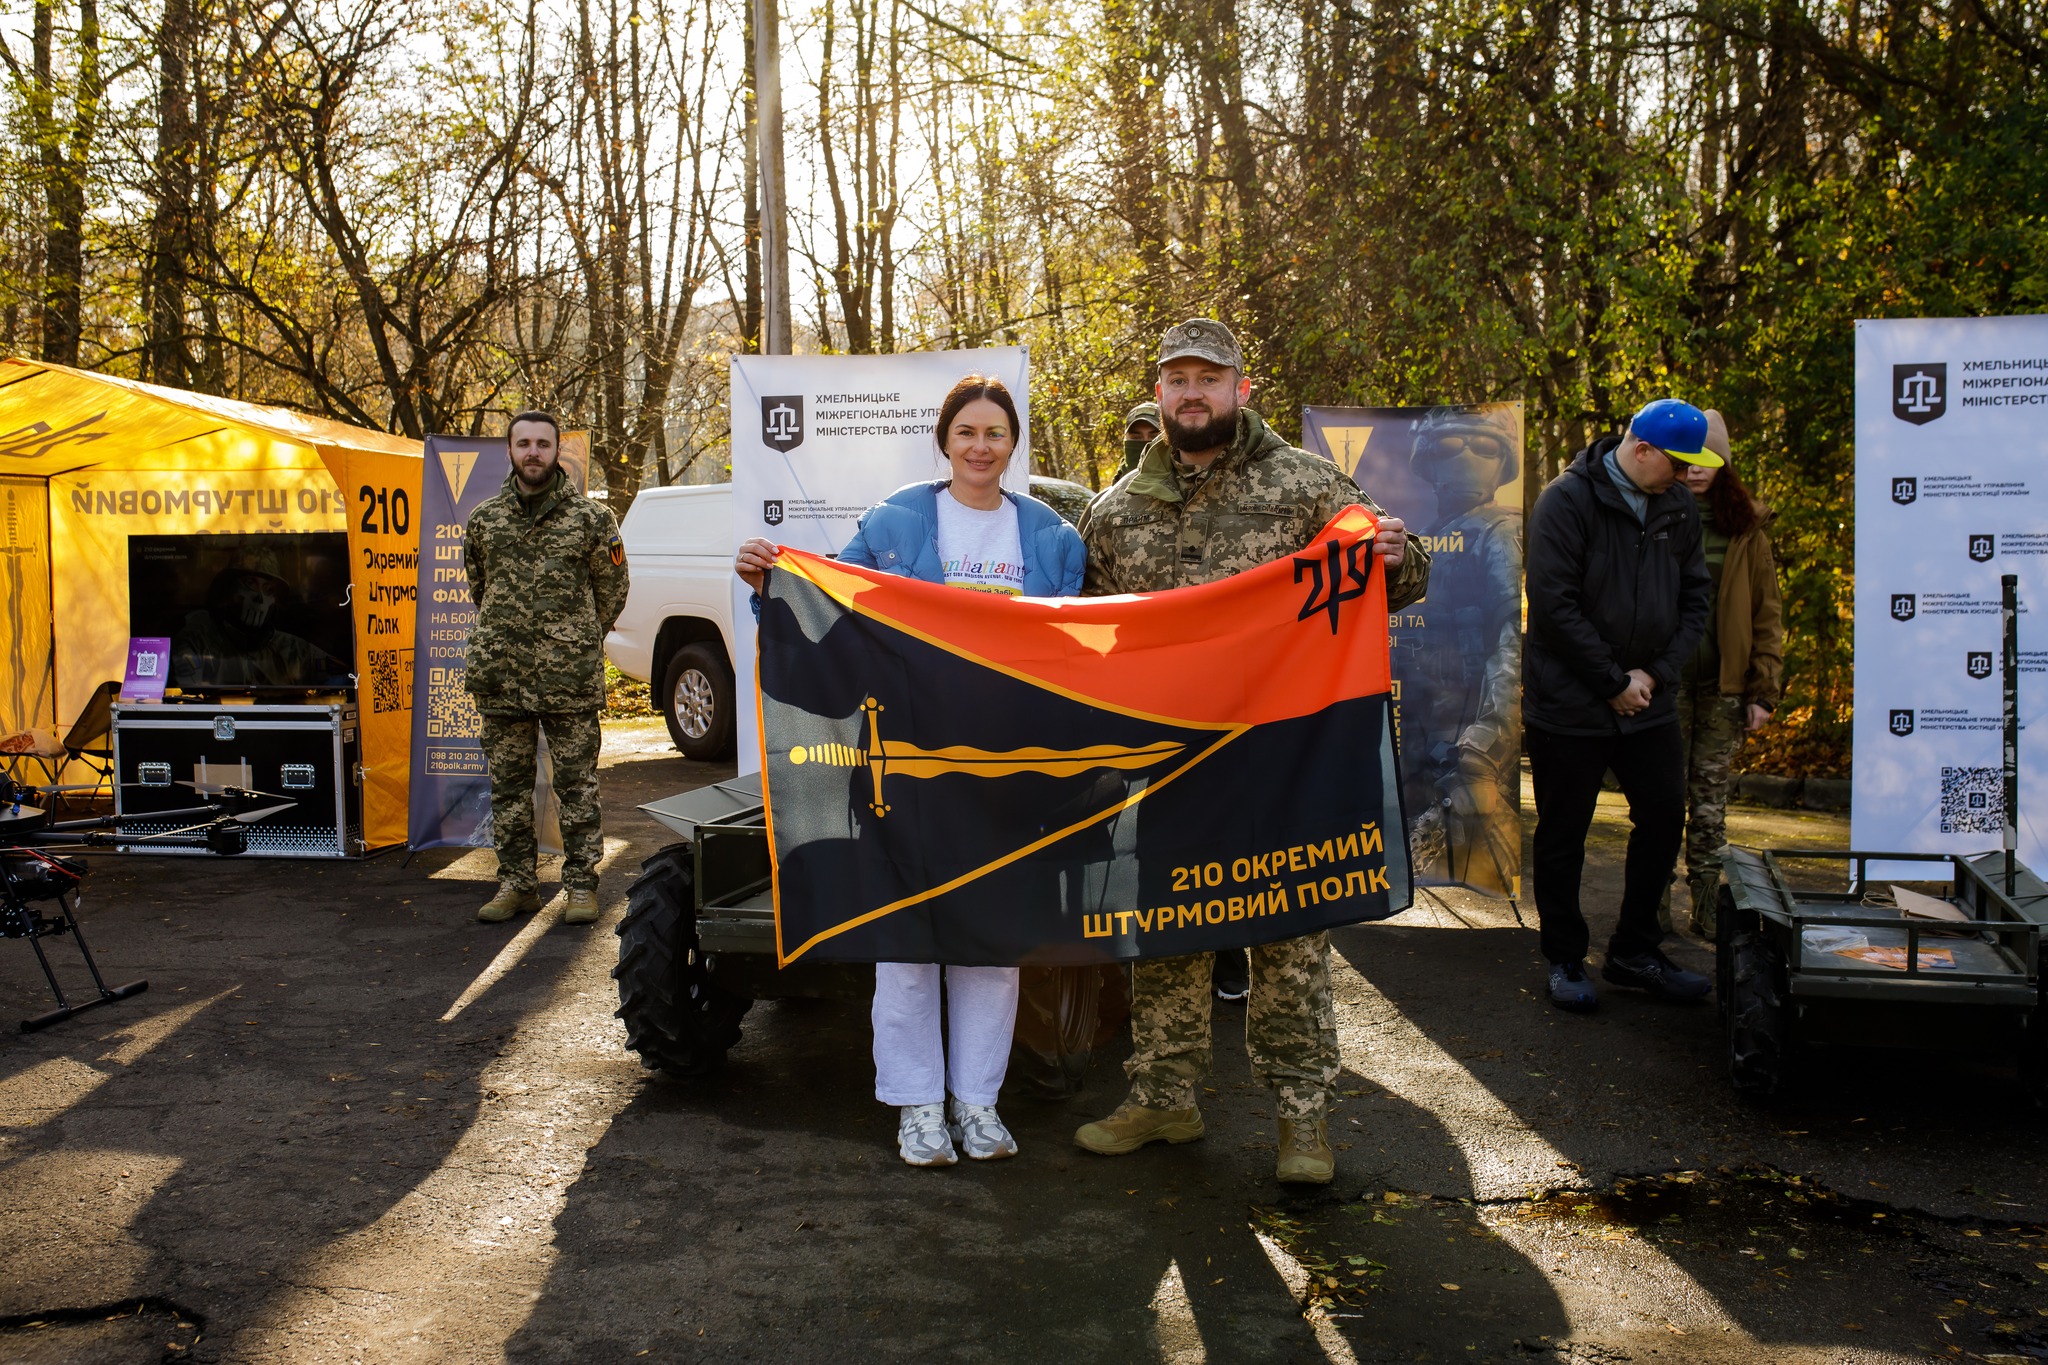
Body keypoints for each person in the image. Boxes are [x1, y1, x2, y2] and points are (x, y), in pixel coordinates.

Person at [1070, 318, 1430, 1185]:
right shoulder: (1115, 511)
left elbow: (1401, 575)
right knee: (1167, 932)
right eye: (1178, 379)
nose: (1192, 393)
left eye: (1209, 378)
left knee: (1289, 938)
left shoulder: (1304, 484)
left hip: (1284, 757)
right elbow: (1087, 635)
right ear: (1159, 393)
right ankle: (1164, 1097)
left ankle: (1303, 1119)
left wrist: (1395, 554)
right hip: (1173, 764)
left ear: (1240, 388)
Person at [735, 374, 1086, 1168]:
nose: (980, 446)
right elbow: (833, 610)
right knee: (907, 939)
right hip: (904, 766)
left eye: (995, 432)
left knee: (991, 940)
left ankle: (978, 1103)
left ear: (1012, 443)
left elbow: (1067, 661)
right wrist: (772, 586)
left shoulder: (1052, 538)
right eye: (967, 431)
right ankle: (919, 1106)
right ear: (944, 439)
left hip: (1004, 772)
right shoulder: (896, 519)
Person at [1523, 398, 1715, 1013]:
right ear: (1642, 449)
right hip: (1570, 703)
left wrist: (1651, 676)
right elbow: (1553, 605)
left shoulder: (1677, 506)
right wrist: (1611, 681)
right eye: (1677, 464)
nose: (1686, 476)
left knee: (1662, 817)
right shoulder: (1566, 500)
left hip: (1648, 700)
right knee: (1564, 833)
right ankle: (1564, 957)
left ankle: (1635, 951)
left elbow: (1695, 600)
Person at [465, 411, 630, 928]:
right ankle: (517, 884)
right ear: (509, 451)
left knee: (576, 785)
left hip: (568, 678)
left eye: (542, 443)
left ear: (558, 451)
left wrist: (573, 639)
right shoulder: (485, 520)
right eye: (524, 444)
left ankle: (580, 885)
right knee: (508, 788)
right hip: (502, 675)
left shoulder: (592, 519)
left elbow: (613, 591)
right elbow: (480, 587)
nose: (533, 452)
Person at [1398, 405, 1524, 895]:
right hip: (1417, 733)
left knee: (1479, 853)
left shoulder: (1499, 532)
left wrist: (1486, 745)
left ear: (1504, 461)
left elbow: (1510, 643)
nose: (1468, 456)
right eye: (1451, 445)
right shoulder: (1423, 540)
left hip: (1466, 743)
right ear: (1428, 459)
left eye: (1485, 446)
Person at [1670, 410, 1782, 938]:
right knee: (1661, 802)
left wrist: (1763, 690)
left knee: (1709, 805)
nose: (1697, 469)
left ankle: (1707, 906)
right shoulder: (1656, 516)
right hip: (1664, 685)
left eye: (1709, 459)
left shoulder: (1745, 531)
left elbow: (1766, 614)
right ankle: (1650, 910)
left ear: (1724, 465)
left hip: (1723, 687)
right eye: (1689, 458)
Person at [1114, 400, 1162, 479]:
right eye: (1136, 438)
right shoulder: (1117, 485)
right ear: (1125, 439)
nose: (1145, 444)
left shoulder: (1180, 483)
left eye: (1154, 437)